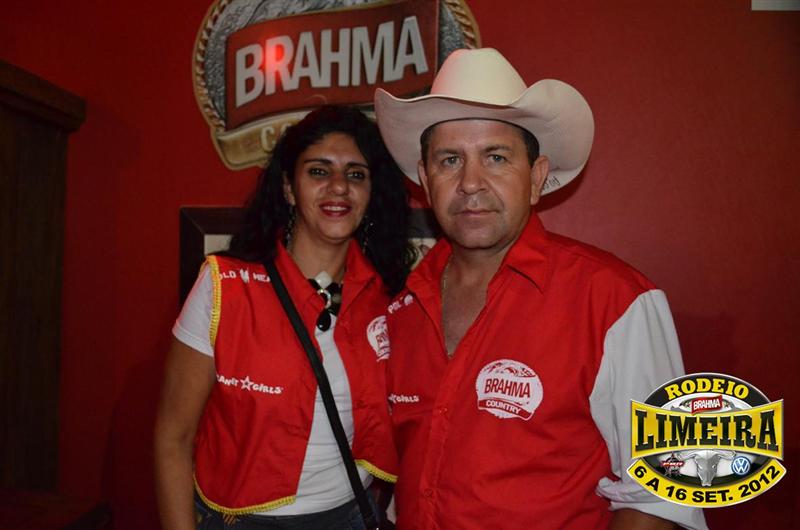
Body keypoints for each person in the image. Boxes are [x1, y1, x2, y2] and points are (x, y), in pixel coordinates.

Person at [373, 49, 708, 529]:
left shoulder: (616, 300)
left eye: (496, 157)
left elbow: (664, 493)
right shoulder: (400, 309)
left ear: (535, 177)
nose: (470, 183)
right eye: (450, 160)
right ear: (426, 180)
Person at [154, 105, 414, 529]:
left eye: (355, 174)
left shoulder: (389, 298)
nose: (338, 187)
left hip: (352, 516)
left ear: (371, 193)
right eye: (318, 171)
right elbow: (173, 437)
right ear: (289, 189)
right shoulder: (224, 285)